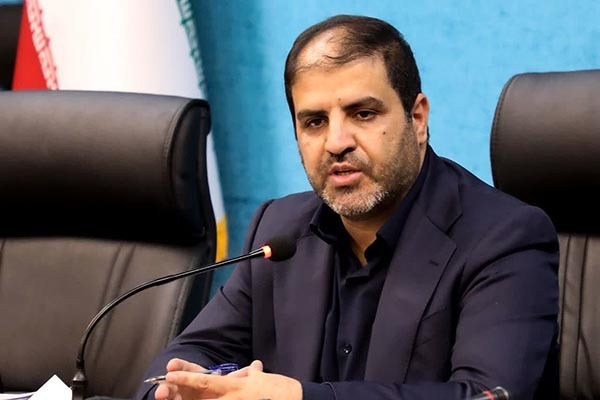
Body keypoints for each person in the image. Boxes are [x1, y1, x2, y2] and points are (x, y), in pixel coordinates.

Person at [136, 15, 559, 400]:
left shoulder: (504, 237)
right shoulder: (279, 230)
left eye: (363, 113)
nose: (336, 142)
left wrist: (302, 398)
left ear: (417, 118)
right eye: (314, 122)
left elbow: (484, 395)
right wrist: (178, 389)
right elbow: (193, 353)